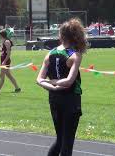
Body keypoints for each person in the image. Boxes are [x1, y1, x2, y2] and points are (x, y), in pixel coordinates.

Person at [36, 18, 87, 156]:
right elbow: (69, 81)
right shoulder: (75, 55)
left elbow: (39, 79)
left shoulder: (49, 53)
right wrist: (57, 85)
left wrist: (52, 86)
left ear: (61, 36)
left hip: (54, 99)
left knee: (60, 140)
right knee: (67, 144)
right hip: (70, 100)